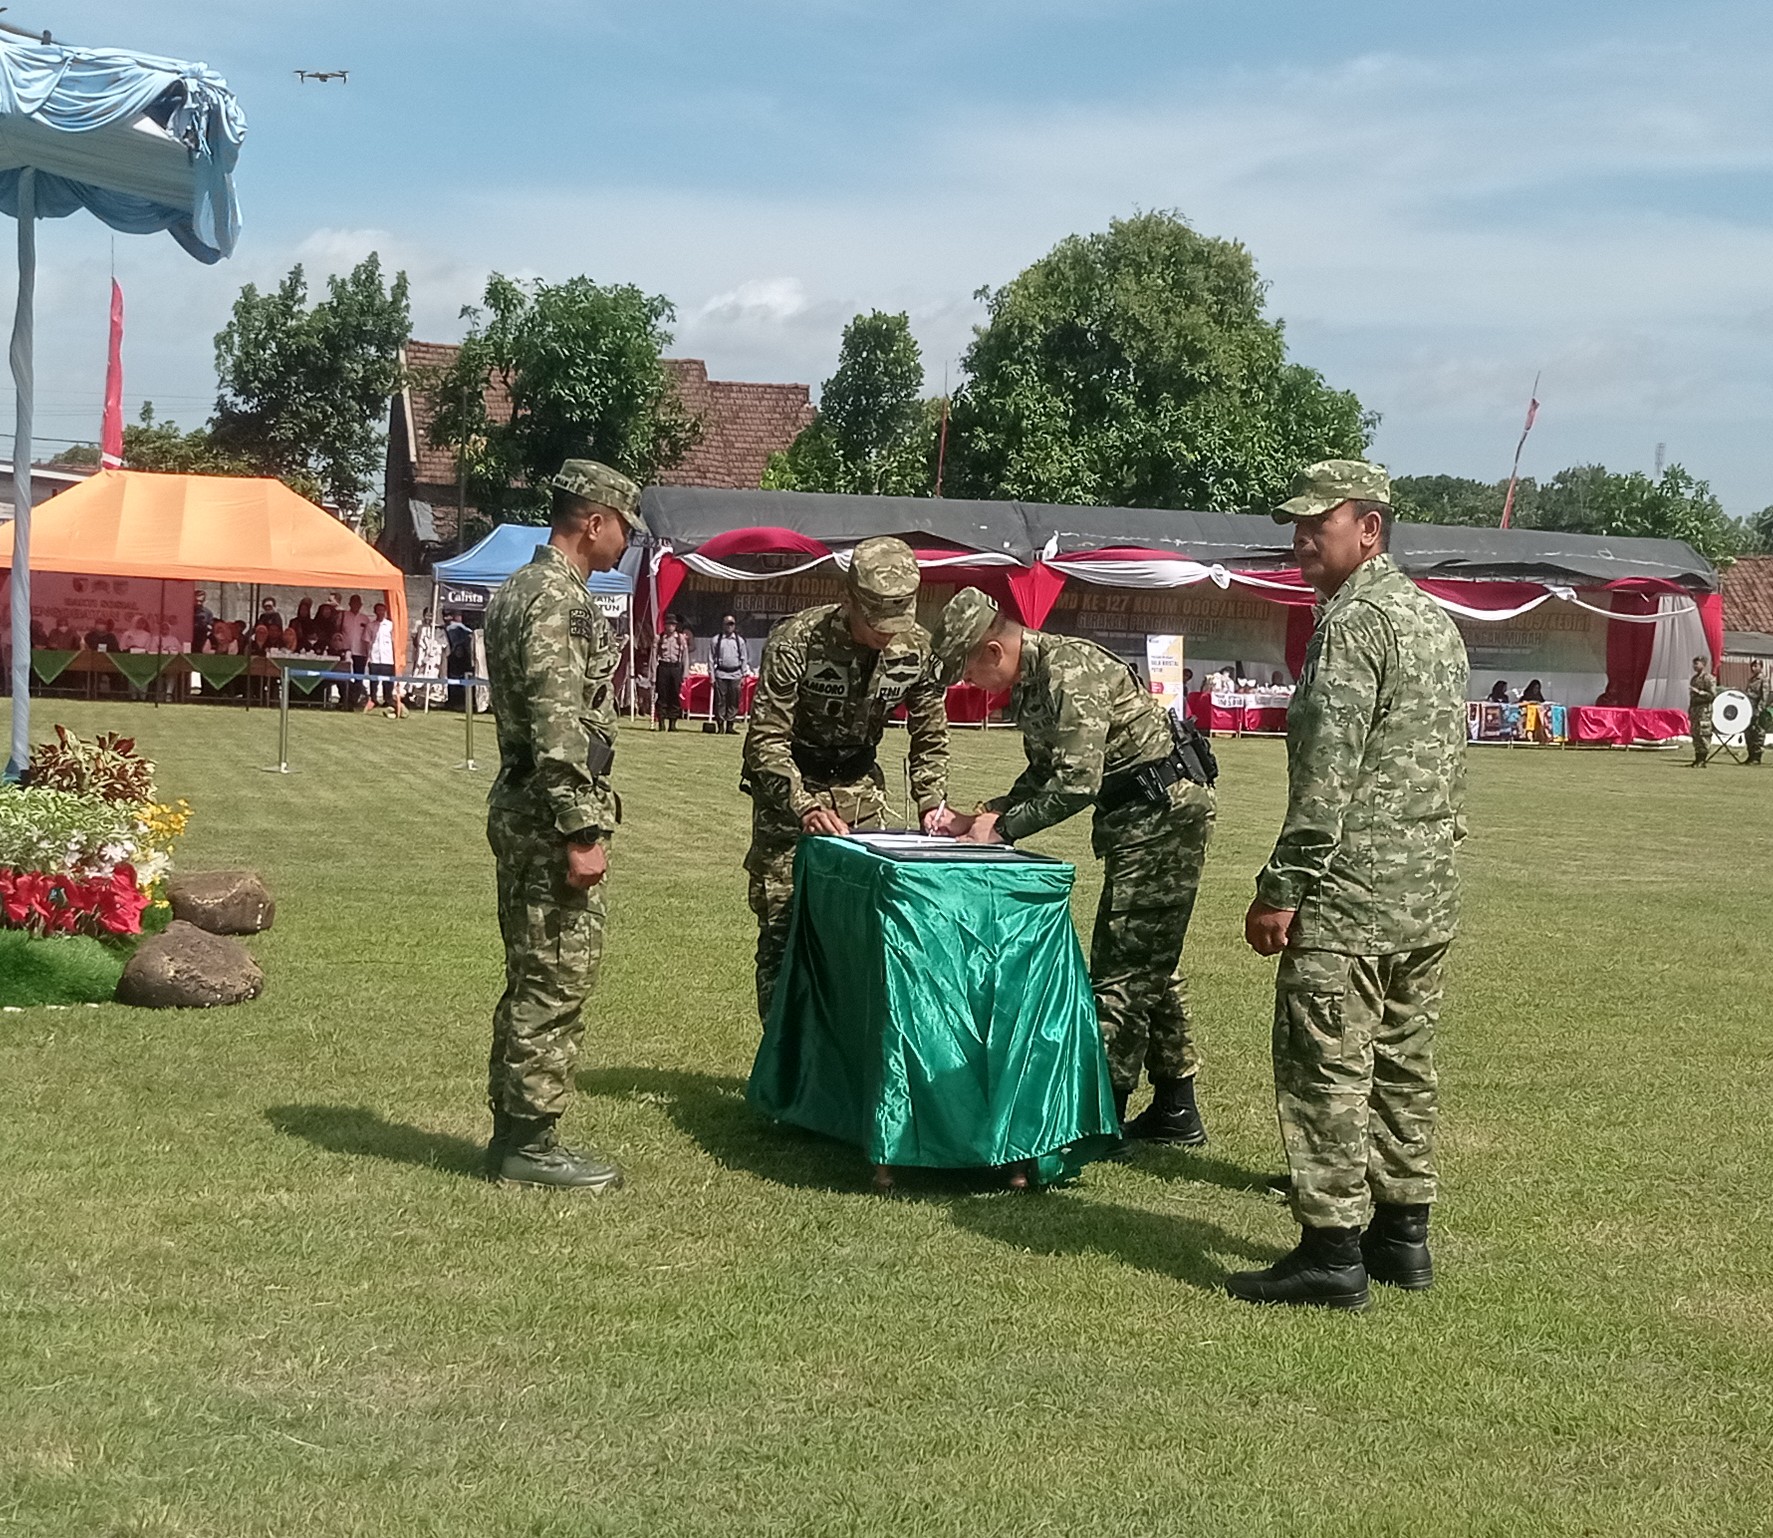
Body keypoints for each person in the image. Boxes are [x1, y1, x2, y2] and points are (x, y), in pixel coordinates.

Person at [1227, 459, 1468, 1312]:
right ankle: (1401, 1238)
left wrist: (1280, 887)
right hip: (1424, 890)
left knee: (1325, 1065)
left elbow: (1325, 779)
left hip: (1351, 895)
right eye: (1295, 524)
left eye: (1314, 523)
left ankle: (1331, 1250)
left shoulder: (1354, 624)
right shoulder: (1434, 622)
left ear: (1368, 528)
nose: (1298, 539)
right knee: (1403, 1065)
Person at [930, 588, 1218, 1148]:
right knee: (1150, 963)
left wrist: (1005, 828)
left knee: (1123, 971)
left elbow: (1076, 786)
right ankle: (1175, 1110)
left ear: (993, 650)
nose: (967, 683)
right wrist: (983, 816)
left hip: (1161, 817)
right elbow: (1044, 775)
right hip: (1136, 815)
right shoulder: (1037, 681)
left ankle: (1094, 1117)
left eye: (966, 669)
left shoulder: (1069, 673)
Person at [482, 458, 642, 1192]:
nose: (625, 546)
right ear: (592, 520)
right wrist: (582, 830)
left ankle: (519, 1131)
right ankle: (529, 1143)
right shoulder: (556, 600)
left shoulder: (519, 588)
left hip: (525, 806)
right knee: (553, 978)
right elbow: (556, 726)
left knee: (534, 975)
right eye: (623, 530)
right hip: (549, 816)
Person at [741, 537, 950, 1022]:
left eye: (896, 620)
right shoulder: (797, 641)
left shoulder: (917, 649)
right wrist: (805, 805)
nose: (886, 635)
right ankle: (786, 1079)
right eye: (876, 620)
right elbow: (766, 742)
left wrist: (931, 803)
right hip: (792, 798)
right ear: (850, 598)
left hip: (863, 799)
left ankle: (845, 1070)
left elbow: (931, 736)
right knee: (783, 932)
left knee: (860, 934)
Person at [710, 613, 749, 734]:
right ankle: (720, 725)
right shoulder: (716, 640)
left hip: (736, 674)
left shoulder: (739, 641)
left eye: (732, 624)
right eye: (727, 624)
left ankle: (730, 725)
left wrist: (744, 675)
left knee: (734, 700)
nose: (729, 627)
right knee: (720, 701)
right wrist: (712, 676)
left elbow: (744, 658)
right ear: (723, 625)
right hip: (721, 673)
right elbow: (711, 658)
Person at [365, 601, 406, 716]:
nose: (380, 612)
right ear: (375, 612)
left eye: (382, 610)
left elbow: (396, 642)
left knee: (388, 682)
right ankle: (373, 699)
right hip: (375, 657)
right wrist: (368, 656)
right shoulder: (371, 625)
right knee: (374, 682)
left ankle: (388, 700)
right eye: (378, 610)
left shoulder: (391, 625)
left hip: (388, 659)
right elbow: (367, 642)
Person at [654, 613, 691, 731]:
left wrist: (685, 673)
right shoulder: (659, 638)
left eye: (673, 625)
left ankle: (673, 723)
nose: (671, 627)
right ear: (665, 625)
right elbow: (653, 658)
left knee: (674, 696)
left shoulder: (680, 639)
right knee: (662, 695)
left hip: (675, 668)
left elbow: (685, 657)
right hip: (663, 667)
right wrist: (652, 674)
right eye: (669, 624)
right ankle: (661, 721)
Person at [338, 595, 373, 709]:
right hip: (345, 650)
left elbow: (368, 637)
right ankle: (344, 697)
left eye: (358, 603)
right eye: (353, 603)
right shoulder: (343, 616)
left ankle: (354, 699)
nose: (355, 605)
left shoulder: (365, 619)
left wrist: (368, 653)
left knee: (359, 677)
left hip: (360, 651)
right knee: (343, 676)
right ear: (349, 604)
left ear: (361, 605)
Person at [1687, 656, 1717, 767]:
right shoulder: (1694, 679)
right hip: (1695, 710)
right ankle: (1697, 758)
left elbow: (1712, 695)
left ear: (1703, 664)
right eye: (1694, 664)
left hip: (1704, 711)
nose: (1695, 666)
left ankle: (1703, 760)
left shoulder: (1708, 678)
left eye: (1697, 664)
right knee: (1696, 734)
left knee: (1703, 734)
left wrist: (1699, 692)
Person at [444, 610, 474, 711]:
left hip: (460, 655)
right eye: (459, 616)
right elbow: (469, 632)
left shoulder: (454, 628)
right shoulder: (455, 627)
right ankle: (455, 702)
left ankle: (458, 702)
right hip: (455, 654)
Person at [1745, 659, 1767, 766]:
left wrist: (1759, 709)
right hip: (1749, 708)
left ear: (1761, 667)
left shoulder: (1763, 679)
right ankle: (1750, 755)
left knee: (1757, 733)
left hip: (1757, 708)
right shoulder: (1751, 680)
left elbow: (1764, 696)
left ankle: (1756, 757)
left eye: (1756, 666)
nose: (1753, 668)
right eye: (1752, 666)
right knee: (1749, 733)